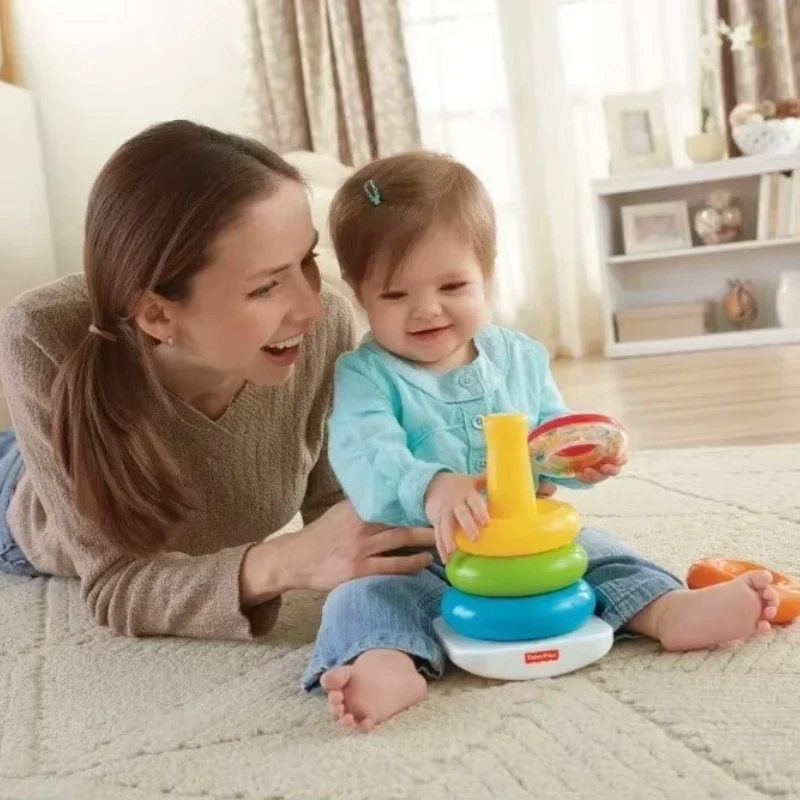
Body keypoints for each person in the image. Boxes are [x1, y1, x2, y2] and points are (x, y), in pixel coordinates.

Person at [304, 151, 779, 732]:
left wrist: (587, 458)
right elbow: (364, 455)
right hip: (422, 554)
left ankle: (669, 611)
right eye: (396, 295)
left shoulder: (520, 357)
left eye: (453, 285)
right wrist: (432, 487)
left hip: (529, 548)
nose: (427, 309)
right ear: (358, 292)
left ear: (489, 272)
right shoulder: (365, 376)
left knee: (602, 554)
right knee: (359, 599)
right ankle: (385, 662)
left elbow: (554, 438)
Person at [0, 120, 437, 639]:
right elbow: (116, 583)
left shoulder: (327, 330)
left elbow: (346, 507)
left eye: (307, 260)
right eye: (266, 287)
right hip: (26, 499)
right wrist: (279, 562)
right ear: (159, 316)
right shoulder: (42, 334)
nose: (312, 307)